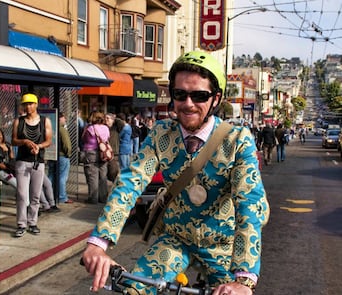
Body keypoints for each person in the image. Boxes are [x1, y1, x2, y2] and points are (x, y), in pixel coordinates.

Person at [81, 50, 270, 294]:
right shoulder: (161, 133)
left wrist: (243, 279)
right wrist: (99, 243)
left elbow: (249, 204)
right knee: (135, 289)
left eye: (199, 95)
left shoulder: (237, 140)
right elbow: (130, 183)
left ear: (216, 98)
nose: (188, 103)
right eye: (180, 94)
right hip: (176, 239)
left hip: (222, 244)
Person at [11, 93, 52, 237]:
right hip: (22, 160)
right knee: (22, 194)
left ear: (36, 105)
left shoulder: (44, 121)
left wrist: (39, 146)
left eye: (30, 104)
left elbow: (49, 140)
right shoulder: (19, 121)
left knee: (35, 195)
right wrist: (24, 142)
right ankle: (21, 223)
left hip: (37, 161)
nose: (28, 107)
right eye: (25, 104)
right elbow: (14, 140)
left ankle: (32, 222)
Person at [81, 111, 110, 204]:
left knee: (92, 176)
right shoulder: (106, 128)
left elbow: (84, 139)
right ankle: (103, 198)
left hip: (91, 153)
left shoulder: (90, 128)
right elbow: (107, 139)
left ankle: (93, 199)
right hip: (103, 153)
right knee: (103, 176)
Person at [48, 113, 73, 204]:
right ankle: (62, 196)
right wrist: (68, 154)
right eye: (63, 117)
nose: (65, 119)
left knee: (51, 175)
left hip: (52, 155)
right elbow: (67, 144)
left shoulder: (51, 128)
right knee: (62, 177)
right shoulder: (62, 129)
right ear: (60, 118)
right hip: (62, 156)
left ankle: (48, 195)